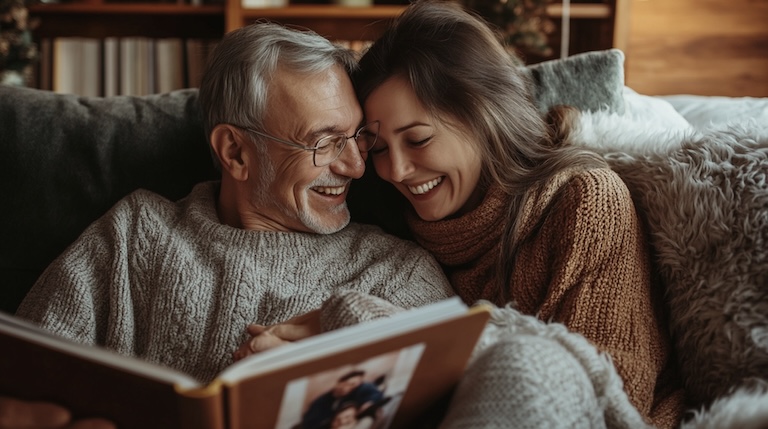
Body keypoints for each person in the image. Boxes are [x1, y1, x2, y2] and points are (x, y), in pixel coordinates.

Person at [8, 20, 454, 426]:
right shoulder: (132, 236)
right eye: (326, 143)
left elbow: (468, 392)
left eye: (358, 137)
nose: (357, 167)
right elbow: (21, 380)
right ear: (236, 152)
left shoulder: (397, 273)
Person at [351, 1, 686, 428]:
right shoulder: (390, 227)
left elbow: (604, 397)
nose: (395, 170)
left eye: (417, 140)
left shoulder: (584, 204)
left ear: (483, 116)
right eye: (379, 150)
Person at [302, 370, 382, 429]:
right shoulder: (321, 402)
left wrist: (369, 402)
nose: (351, 388)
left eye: (354, 386)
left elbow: (375, 393)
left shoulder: (351, 396)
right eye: (350, 384)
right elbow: (311, 423)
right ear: (339, 383)